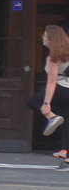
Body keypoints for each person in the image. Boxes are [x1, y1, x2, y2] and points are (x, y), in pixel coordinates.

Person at [29, 24, 69, 158]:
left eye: (45, 36)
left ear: (51, 39)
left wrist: (47, 104)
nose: (43, 37)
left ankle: (52, 117)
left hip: (60, 88)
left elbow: (52, 82)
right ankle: (65, 151)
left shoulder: (53, 57)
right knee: (66, 119)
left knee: (34, 101)